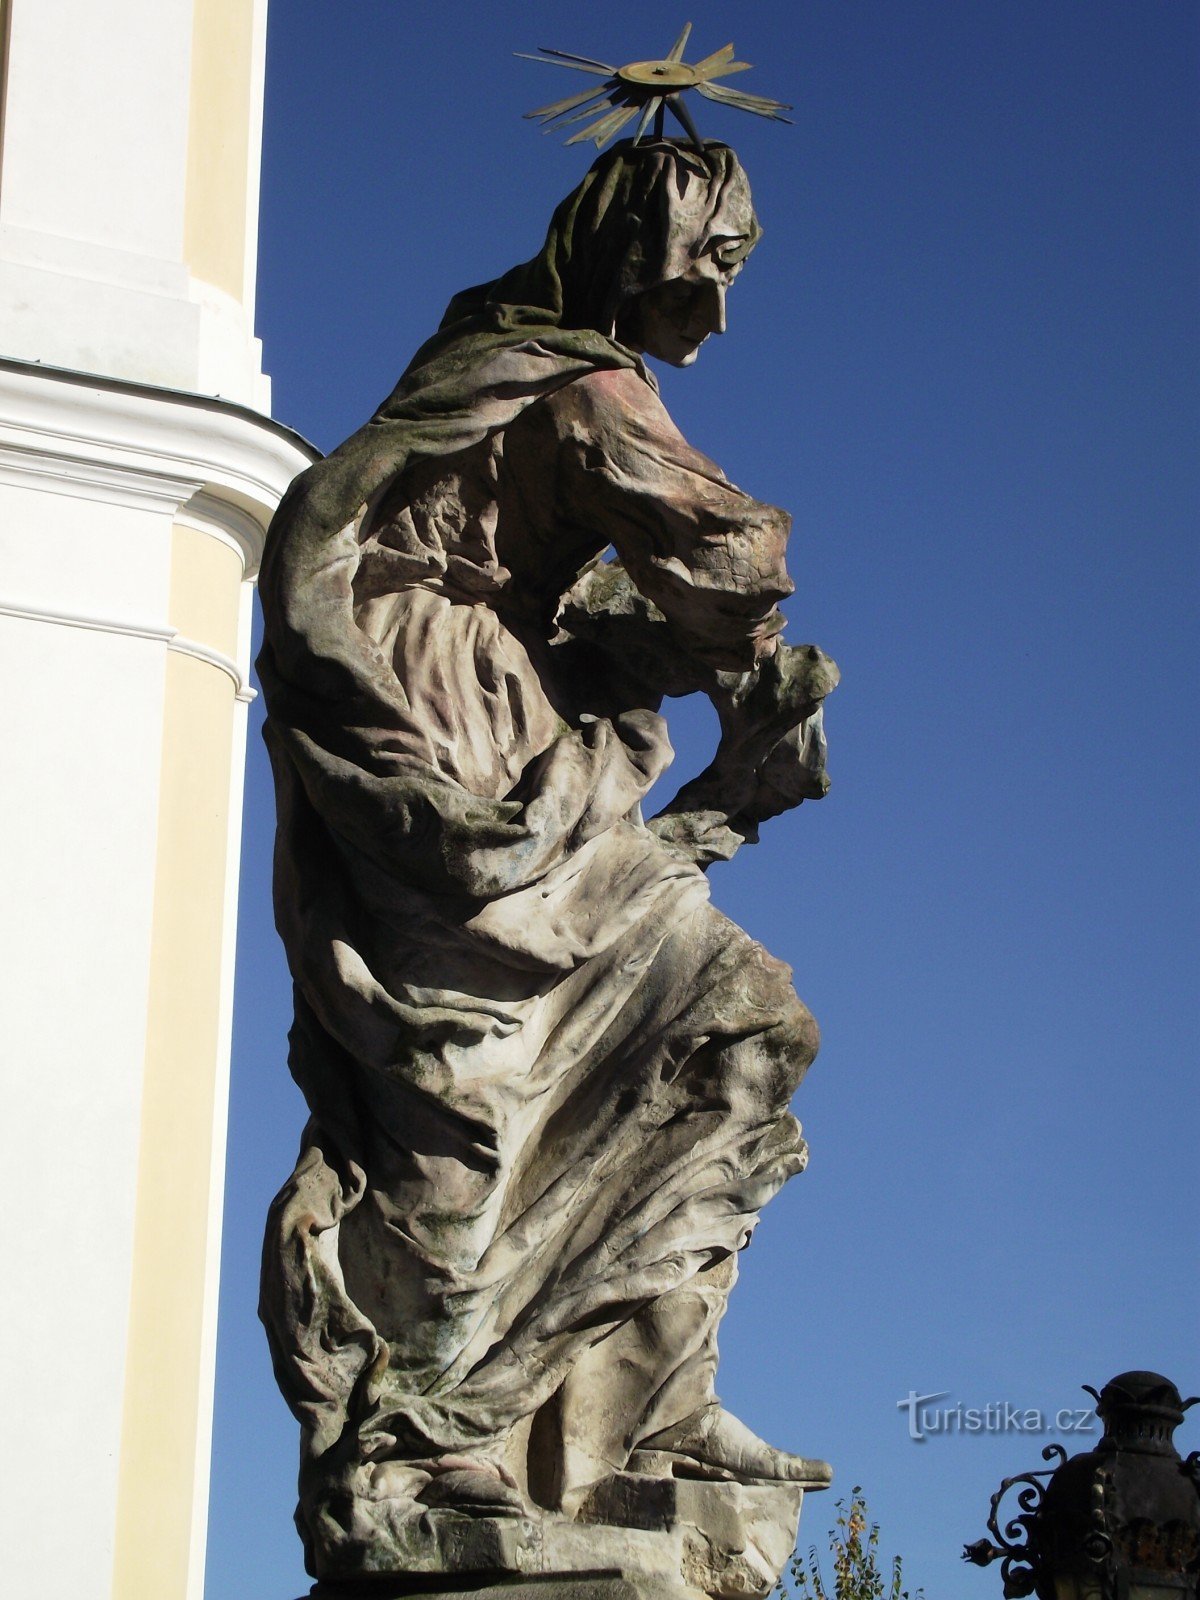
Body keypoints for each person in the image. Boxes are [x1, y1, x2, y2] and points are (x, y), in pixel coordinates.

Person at [257, 137, 836, 1580]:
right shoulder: (577, 384)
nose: (719, 306)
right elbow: (725, 552)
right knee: (469, 1088)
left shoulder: (505, 368)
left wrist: (710, 692)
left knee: (733, 1021)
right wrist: (759, 674)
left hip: (514, 729)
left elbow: (615, 602)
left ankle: (647, 1411)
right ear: (648, 250)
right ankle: (428, 1441)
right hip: (454, 743)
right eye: (715, 265)